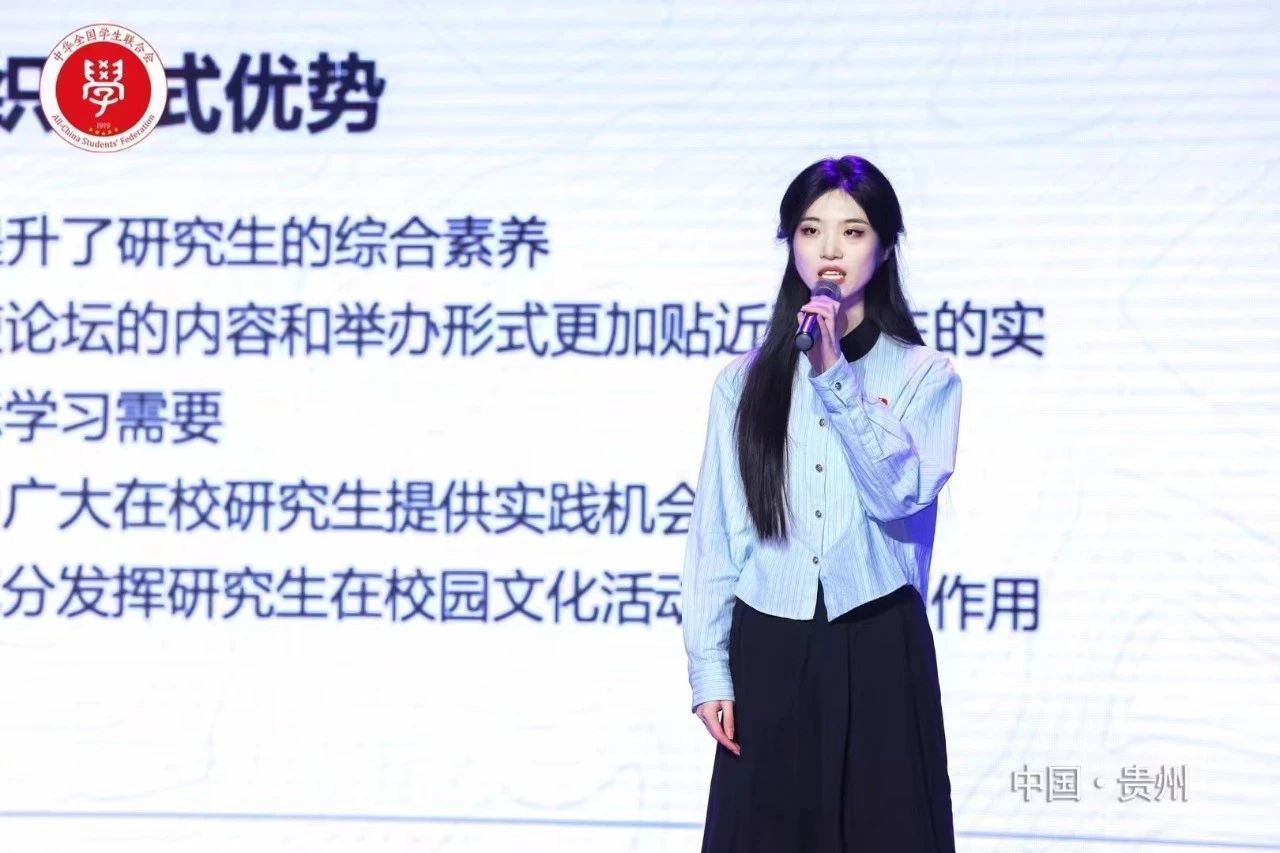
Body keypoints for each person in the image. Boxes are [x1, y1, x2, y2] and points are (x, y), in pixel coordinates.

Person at [681, 155, 962, 852]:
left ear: (885, 247)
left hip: (878, 640)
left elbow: (898, 493)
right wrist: (709, 668)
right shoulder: (741, 384)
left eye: (853, 231)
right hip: (768, 641)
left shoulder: (926, 375)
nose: (830, 249)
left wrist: (834, 373)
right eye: (810, 230)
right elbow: (718, 535)